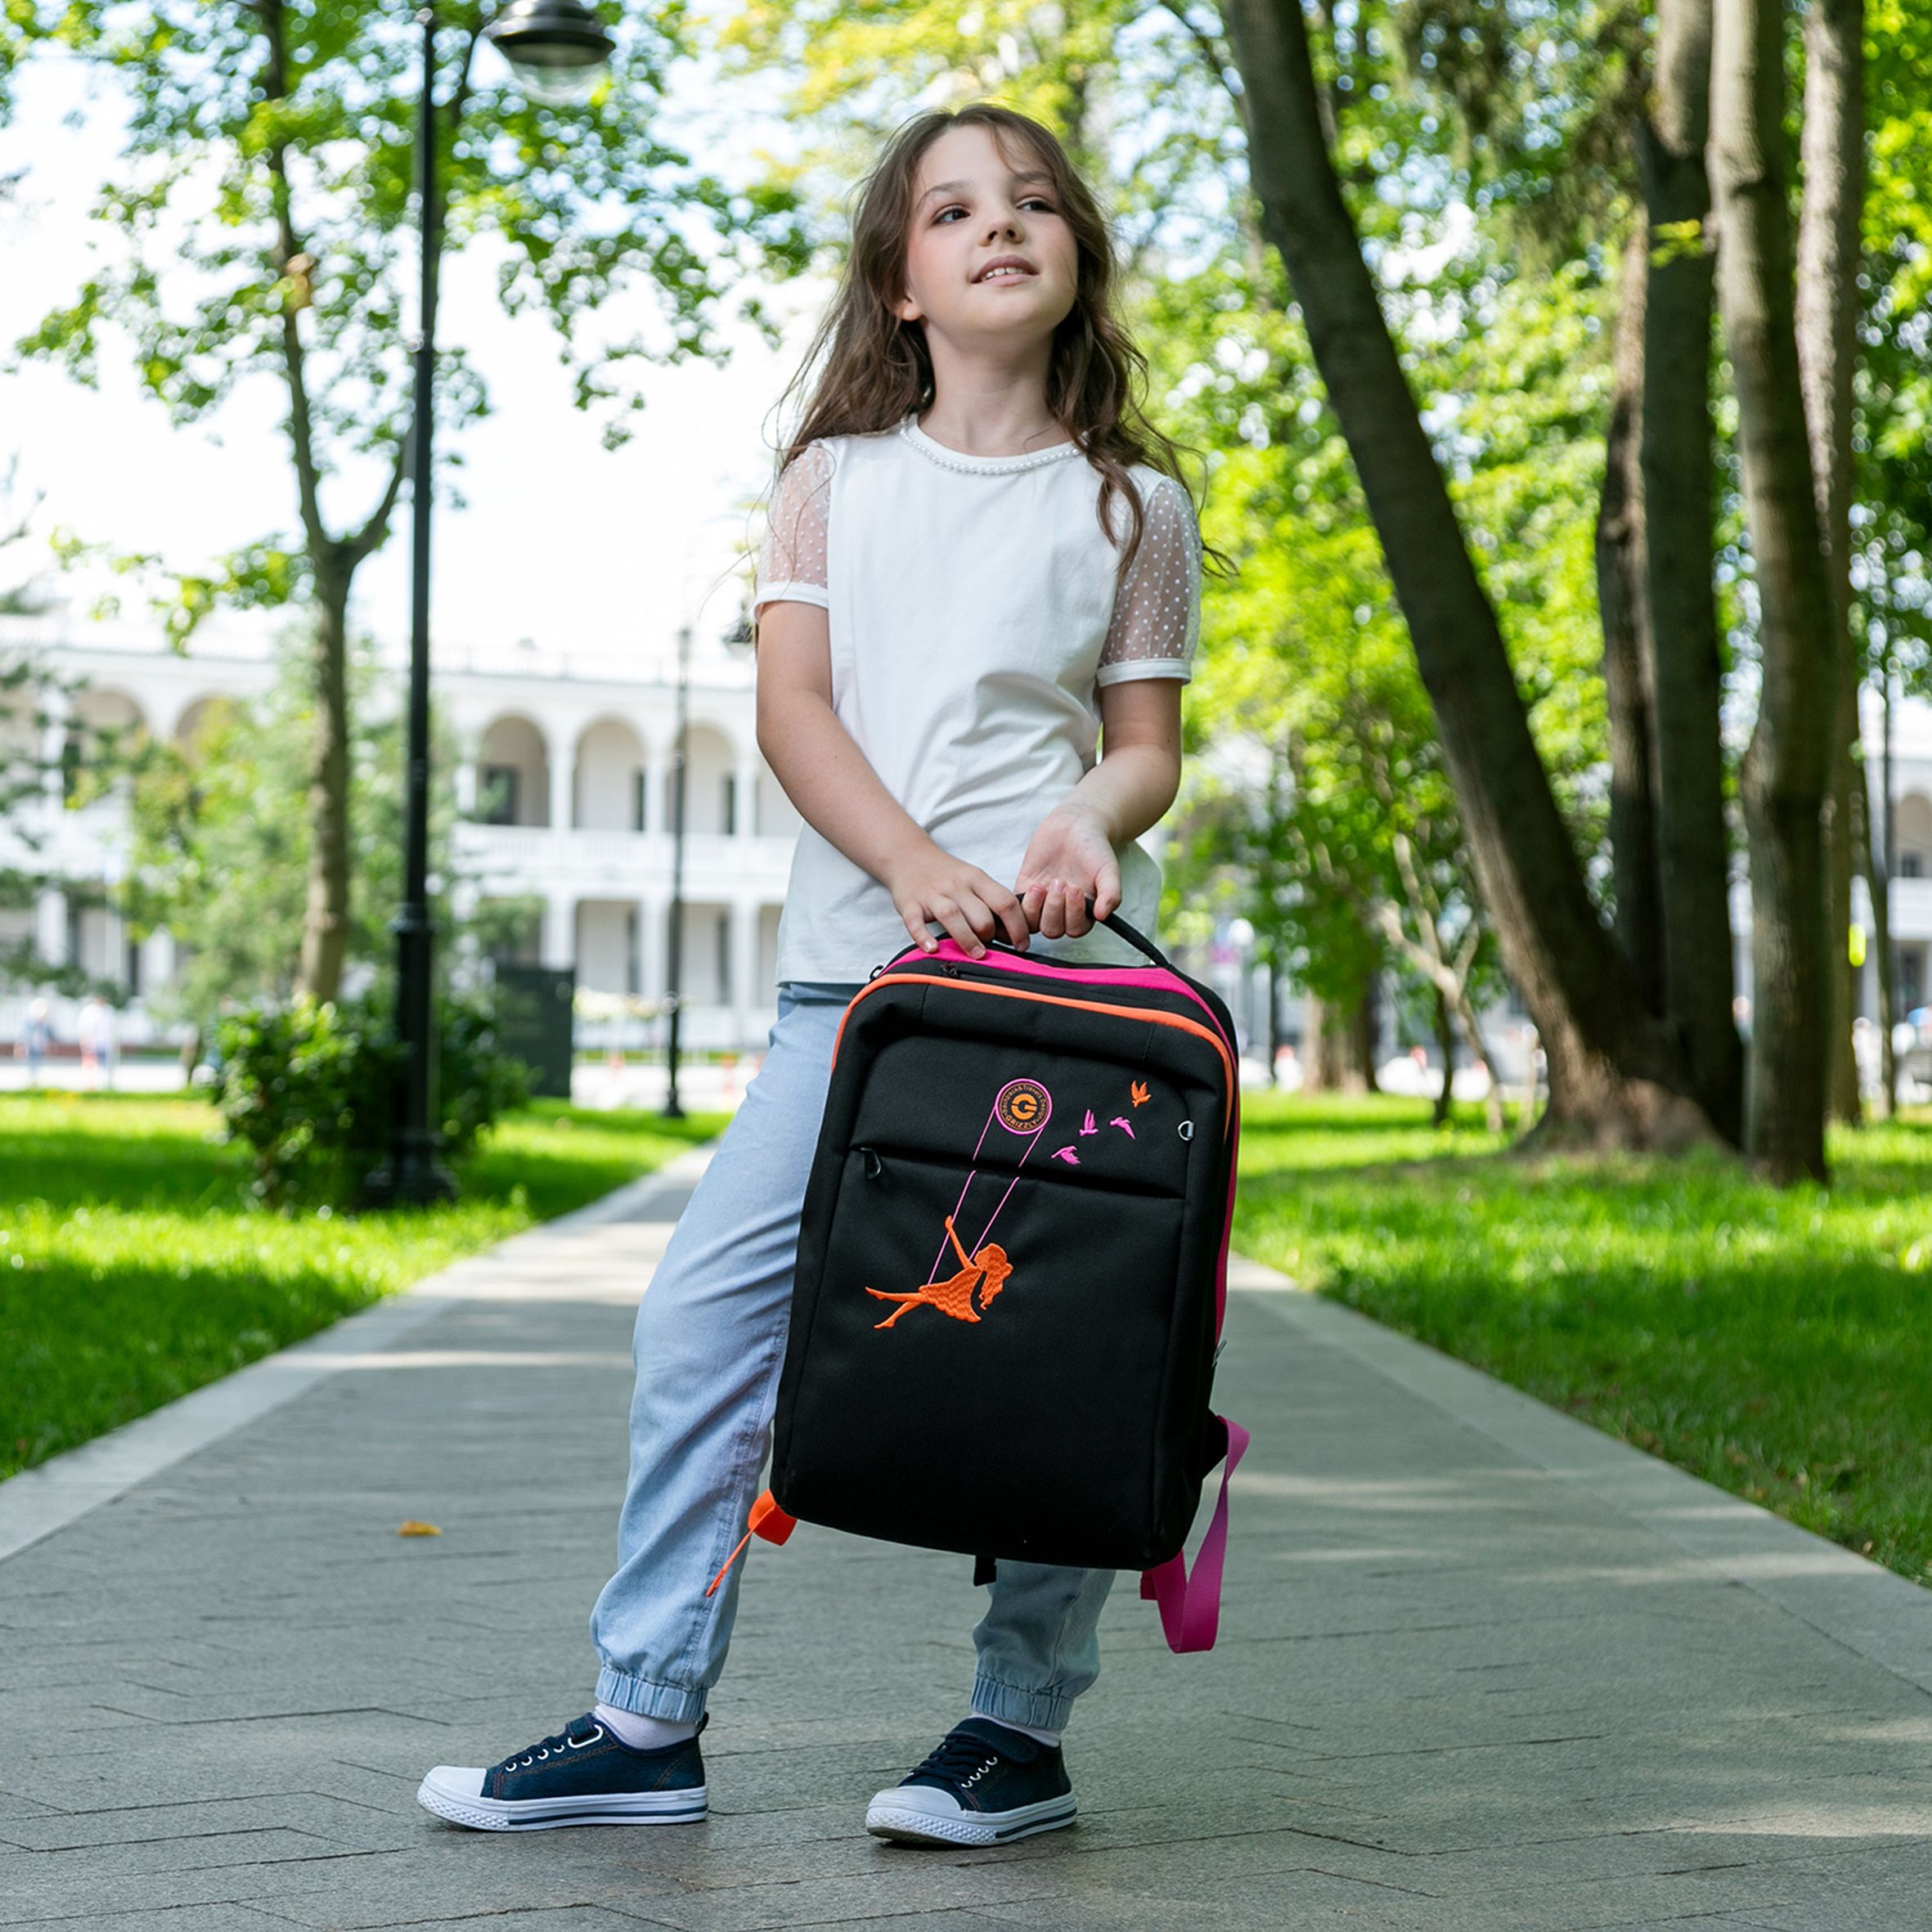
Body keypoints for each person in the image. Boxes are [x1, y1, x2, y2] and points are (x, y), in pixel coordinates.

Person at [417, 102, 1211, 1847]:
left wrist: (1080, 818)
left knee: (1067, 1347)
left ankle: (1014, 1729)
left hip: (1059, 1013)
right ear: (900, 281)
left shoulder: (1130, 504)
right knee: (700, 1321)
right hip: (845, 996)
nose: (996, 225)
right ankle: (643, 1714)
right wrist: (912, 866)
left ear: (1071, 252)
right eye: (949, 210)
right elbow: (794, 713)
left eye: (1028, 202)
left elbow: (1142, 746)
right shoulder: (829, 480)